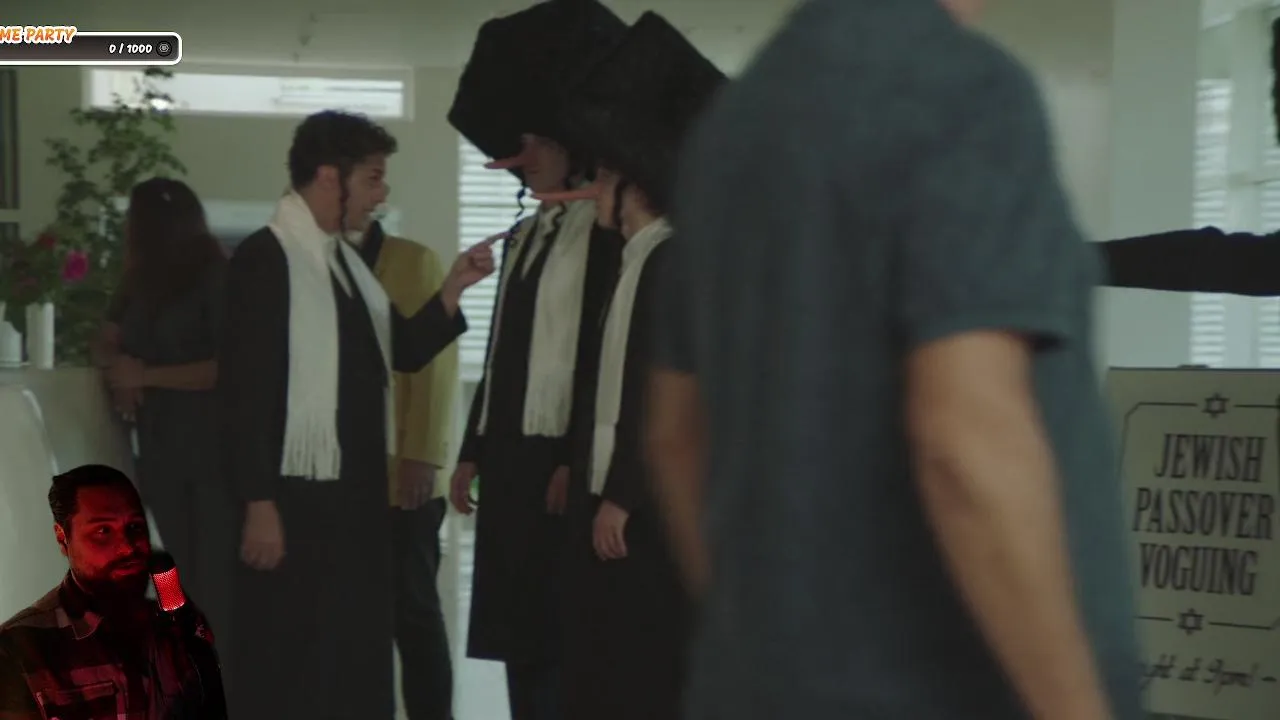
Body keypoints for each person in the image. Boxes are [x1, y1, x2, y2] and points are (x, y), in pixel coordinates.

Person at [650, 1, 1143, 719]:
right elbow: (966, 441)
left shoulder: (733, 125)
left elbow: (675, 437)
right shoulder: (962, 90)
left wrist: (769, 651)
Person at [219, 110, 495, 719]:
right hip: (296, 500)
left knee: (353, 654)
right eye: (372, 178)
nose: (382, 193)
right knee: (297, 659)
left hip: (353, 499)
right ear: (328, 176)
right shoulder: (267, 260)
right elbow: (246, 392)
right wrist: (259, 503)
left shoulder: (343, 265)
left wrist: (452, 288)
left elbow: (401, 350)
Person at [529, 12, 723, 720]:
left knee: (641, 659)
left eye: (606, 175)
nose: (593, 189)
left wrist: (621, 495)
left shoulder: (666, 262)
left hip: (641, 505)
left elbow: (658, 393)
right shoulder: (639, 260)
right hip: (617, 492)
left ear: (634, 186)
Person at [444, 3, 626, 717]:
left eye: (540, 141)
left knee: (561, 628)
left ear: (573, 149)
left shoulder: (603, 237)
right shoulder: (527, 234)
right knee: (517, 625)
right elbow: (502, 351)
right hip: (510, 456)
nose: (528, 152)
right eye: (525, 143)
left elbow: (601, 356)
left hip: (559, 457)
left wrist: (573, 459)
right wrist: (471, 449)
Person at [92, 177, 236, 665]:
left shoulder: (215, 276)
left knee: (209, 575)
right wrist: (118, 365)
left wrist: (145, 375)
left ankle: (214, 672)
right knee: (166, 561)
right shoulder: (137, 282)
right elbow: (106, 338)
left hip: (210, 454)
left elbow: (226, 368)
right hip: (158, 451)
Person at [0, 464, 221, 718]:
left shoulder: (177, 626)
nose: (127, 547)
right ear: (62, 537)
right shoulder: (17, 648)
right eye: (103, 531)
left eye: (135, 527)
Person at [353, 217, 458, 720]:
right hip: (349, 479)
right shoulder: (324, 262)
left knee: (414, 614)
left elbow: (435, 363)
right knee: (360, 621)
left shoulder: (412, 261)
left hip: (405, 474)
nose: (381, 191)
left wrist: (422, 452)